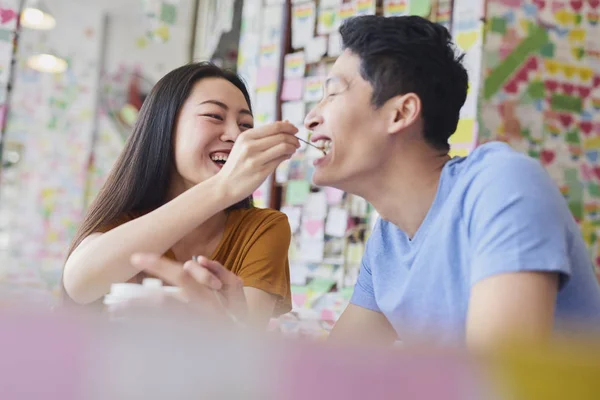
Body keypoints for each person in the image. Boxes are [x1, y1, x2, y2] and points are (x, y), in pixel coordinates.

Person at [131, 15, 600, 348]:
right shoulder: (389, 244)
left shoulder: (500, 185)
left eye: (333, 91)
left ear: (400, 112)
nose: (311, 118)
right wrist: (231, 334)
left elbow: (497, 382)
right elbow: (332, 381)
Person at [62, 62, 300, 327]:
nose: (235, 135)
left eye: (245, 125)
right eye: (214, 116)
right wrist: (221, 189)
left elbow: (245, 345)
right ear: (165, 126)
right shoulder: (125, 222)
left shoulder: (263, 228)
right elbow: (78, 284)